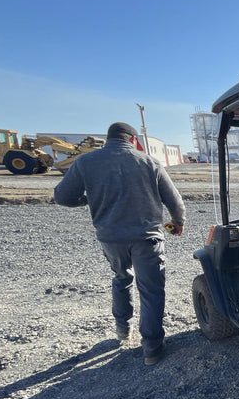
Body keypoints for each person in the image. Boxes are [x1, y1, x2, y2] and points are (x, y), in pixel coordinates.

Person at [54, 122, 186, 365]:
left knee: (122, 277)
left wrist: (89, 200)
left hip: (111, 238)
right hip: (147, 238)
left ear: (108, 139)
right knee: (151, 290)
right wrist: (178, 221)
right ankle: (152, 349)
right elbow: (175, 202)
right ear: (133, 140)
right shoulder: (150, 163)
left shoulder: (86, 162)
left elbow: (61, 197)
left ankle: (122, 329)